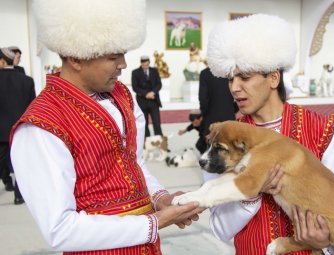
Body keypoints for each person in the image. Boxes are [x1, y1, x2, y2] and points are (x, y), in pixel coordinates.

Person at [10, 0, 203, 254]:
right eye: (113, 56)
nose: (124, 64)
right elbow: (60, 230)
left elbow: (132, 162)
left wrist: (159, 198)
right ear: (77, 57)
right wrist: (154, 223)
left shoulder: (122, 95)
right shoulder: (41, 126)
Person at [205, 14, 334, 255]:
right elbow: (219, 229)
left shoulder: (321, 130)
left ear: (273, 78)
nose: (235, 87)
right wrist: (251, 191)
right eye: (230, 79)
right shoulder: (226, 140)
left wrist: (327, 243)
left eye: (245, 77)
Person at [0, 47, 35, 204]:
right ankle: (19, 194)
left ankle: (6, 180)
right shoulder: (26, 81)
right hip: (19, 130)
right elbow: (32, 108)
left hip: (0, 130)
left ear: (2, 61)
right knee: (19, 162)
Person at [199, 66, 238, 141]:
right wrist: (233, 109)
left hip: (211, 118)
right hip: (229, 116)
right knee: (229, 146)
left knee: (212, 147)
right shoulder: (230, 72)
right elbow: (238, 94)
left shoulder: (205, 73)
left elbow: (203, 98)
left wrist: (204, 113)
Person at [132, 55, 164, 138]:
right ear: (141, 63)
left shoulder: (154, 71)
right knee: (144, 124)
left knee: (157, 123)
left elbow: (159, 84)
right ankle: (147, 143)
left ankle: (160, 142)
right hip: (142, 102)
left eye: (146, 65)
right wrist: (146, 94)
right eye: (143, 65)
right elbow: (135, 87)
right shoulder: (135, 72)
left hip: (154, 101)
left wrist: (153, 92)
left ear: (149, 63)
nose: (144, 66)